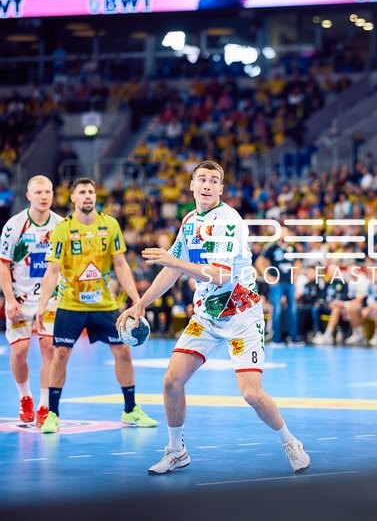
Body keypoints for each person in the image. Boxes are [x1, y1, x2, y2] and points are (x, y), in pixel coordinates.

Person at [117, 161, 310, 475]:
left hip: (242, 315)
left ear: (221, 188)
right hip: (207, 316)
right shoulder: (189, 221)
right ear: (192, 185)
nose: (207, 185)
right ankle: (176, 451)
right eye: (202, 179)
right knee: (172, 381)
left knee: (251, 393)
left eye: (213, 180)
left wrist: (173, 260)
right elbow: (172, 270)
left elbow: (220, 275)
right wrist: (140, 303)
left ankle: (290, 441)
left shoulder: (228, 220)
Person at [34, 177, 157, 433]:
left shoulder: (109, 224)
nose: (88, 195)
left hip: (104, 303)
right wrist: (42, 305)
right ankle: (52, 414)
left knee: (123, 351)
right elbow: (52, 270)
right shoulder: (63, 229)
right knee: (60, 355)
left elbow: (120, 264)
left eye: (91, 191)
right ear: (73, 198)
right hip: (70, 303)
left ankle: (131, 410)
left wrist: (136, 299)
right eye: (82, 192)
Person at [0, 176, 62, 427]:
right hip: (21, 298)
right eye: (38, 192)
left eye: (48, 191)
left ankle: (45, 405)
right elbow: (3, 264)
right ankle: (24, 396)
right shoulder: (14, 226)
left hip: (51, 298)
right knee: (19, 351)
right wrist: (9, 300)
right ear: (28, 196)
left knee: (49, 347)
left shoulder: (61, 225)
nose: (44, 196)